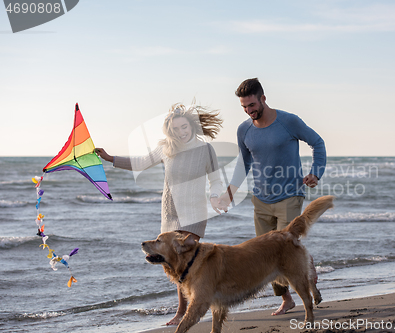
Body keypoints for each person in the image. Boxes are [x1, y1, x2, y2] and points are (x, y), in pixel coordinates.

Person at [95, 103, 224, 326]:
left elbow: (215, 179)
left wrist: (214, 196)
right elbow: (141, 163)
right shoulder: (166, 147)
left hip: (194, 211)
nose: (182, 132)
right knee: (175, 263)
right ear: (170, 131)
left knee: (192, 260)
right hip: (171, 211)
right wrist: (110, 158)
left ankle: (201, 303)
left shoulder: (205, 149)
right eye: (176, 129)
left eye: (184, 127)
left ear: (191, 125)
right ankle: (183, 310)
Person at [217, 78, 327, 316]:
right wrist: (230, 193)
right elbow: (243, 164)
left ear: (263, 98)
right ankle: (287, 299)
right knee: (265, 255)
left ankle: (307, 276)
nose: (249, 110)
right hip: (261, 200)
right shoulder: (244, 130)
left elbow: (318, 143)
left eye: (252, 105)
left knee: (287, 247)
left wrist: (315, 173)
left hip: (290, 195)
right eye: (244, 107)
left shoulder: (289, 121)